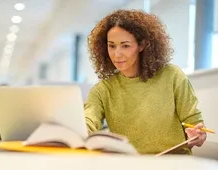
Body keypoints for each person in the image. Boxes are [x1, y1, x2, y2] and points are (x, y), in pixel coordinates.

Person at [84, 9, 206, 155]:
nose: (117, 54)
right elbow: (88, 122)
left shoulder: (172, 76)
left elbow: (194, 122)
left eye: (125, 45)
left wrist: (198, 133)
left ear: (142, 45)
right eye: (111, 46)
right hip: (131, 164)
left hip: (174, 163)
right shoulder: (102, 90)